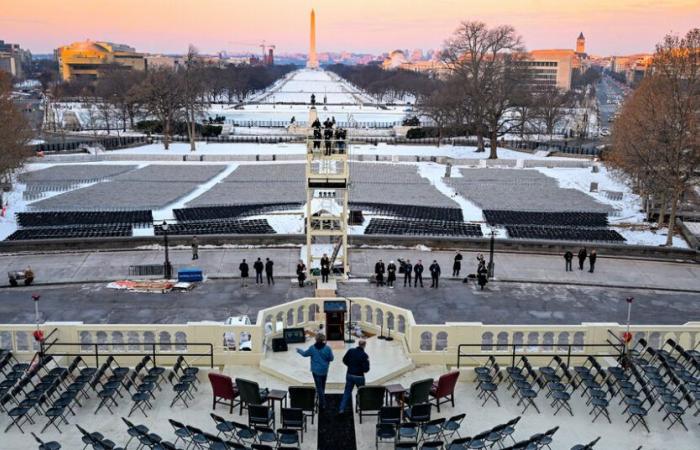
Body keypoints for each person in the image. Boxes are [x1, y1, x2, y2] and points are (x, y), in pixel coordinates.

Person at [296, 333, 334, 409]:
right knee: (322, 385)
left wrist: (299, 350)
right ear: (323, 340)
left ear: (316, 339)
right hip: (324, 370)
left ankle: (322, 403)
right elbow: (331, 359)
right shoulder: (327, 348)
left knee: (318, 387)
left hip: (316, 371)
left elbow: (304, 354)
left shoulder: (312, 348)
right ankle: (321, 396)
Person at [338, 339, 370, 414]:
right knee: (361, 392)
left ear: (358, 344)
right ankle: (361, 407)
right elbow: (366, 370)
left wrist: (350, 366)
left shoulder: (350, 351)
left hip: (349, 374)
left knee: (347, 392)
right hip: (359, 377)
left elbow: (344, 360)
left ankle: (341, 408)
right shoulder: (365, 355)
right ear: (364, 345)